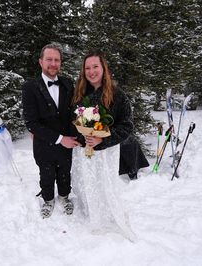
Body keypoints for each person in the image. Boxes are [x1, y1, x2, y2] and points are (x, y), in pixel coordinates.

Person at [71, 50, 136, 241]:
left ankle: (105, 211)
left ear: (103, 68)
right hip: (84, 149)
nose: (91, 71)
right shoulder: (79, 93)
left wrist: (103, 139)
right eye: (87, 68)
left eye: (95, 67)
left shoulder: (117, 95)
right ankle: (89, 208)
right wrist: (82, 135)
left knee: (103, 181)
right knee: (86, 180)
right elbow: (72, 119)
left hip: (106, 151)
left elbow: (127, 126)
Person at [22, 43, 80, 218]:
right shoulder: (29, 87)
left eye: (57, 60)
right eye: (49, 59)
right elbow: (31, 122)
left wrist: (76, 134)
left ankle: (64, 197)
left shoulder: (68, 83)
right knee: (46, 175)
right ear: (41, 62)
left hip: (67, 144)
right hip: (44, 144)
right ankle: (48, 200)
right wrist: (60, 138)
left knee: (64, 172)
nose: (53, 63)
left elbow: (73, 112)